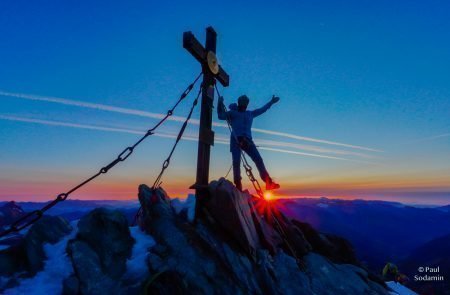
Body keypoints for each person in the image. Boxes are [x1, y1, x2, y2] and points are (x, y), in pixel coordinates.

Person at [218, 94, 281, 191]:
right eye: (243, 102)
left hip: (247, 141)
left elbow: (262, 110)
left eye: (246, 103)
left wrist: (271, 102)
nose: (245, 104)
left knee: (258, 159)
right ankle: (238, 184)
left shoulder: (249, 114)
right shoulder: (233, 113)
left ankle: (268, 182)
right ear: (239, 102)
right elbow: (220, 116)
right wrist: (219, 103)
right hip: (236, 140)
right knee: (236, 162)